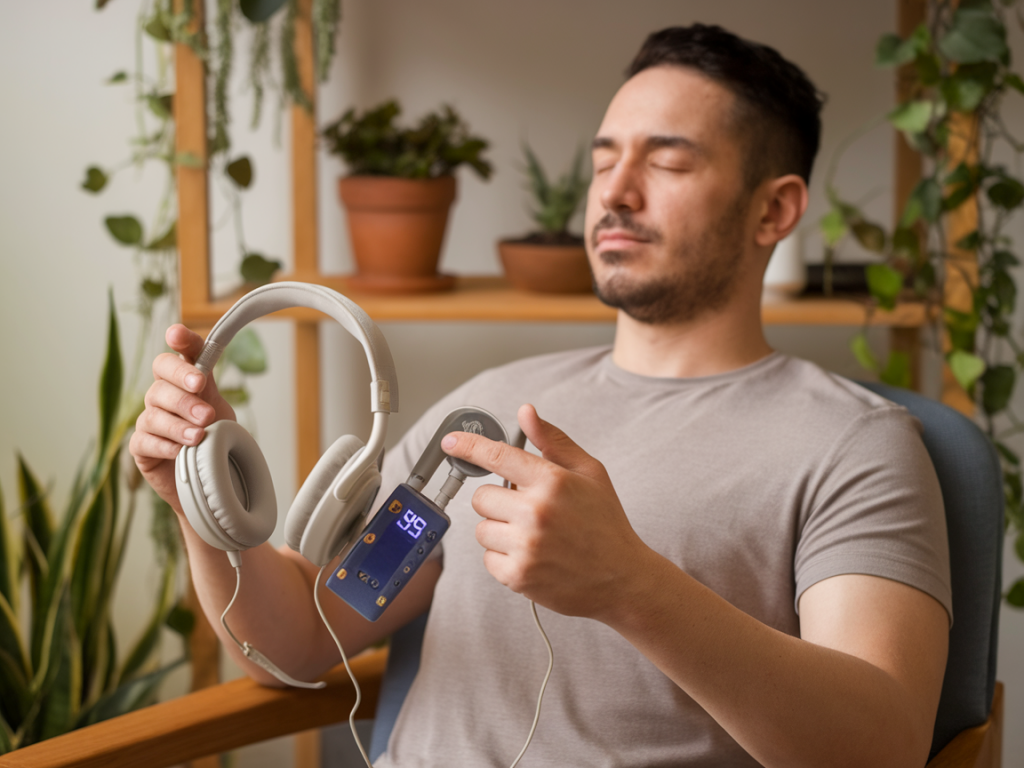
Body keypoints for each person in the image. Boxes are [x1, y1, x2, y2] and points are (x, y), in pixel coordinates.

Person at [130, 24, 952, 768]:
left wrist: (631, 585)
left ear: (775, 210)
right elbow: (308, 637)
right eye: (602, 161)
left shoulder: (853, 443)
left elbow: (879, 747)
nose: (615, 192)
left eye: (666, 162)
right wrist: (203, 500)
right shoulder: (486, 415)